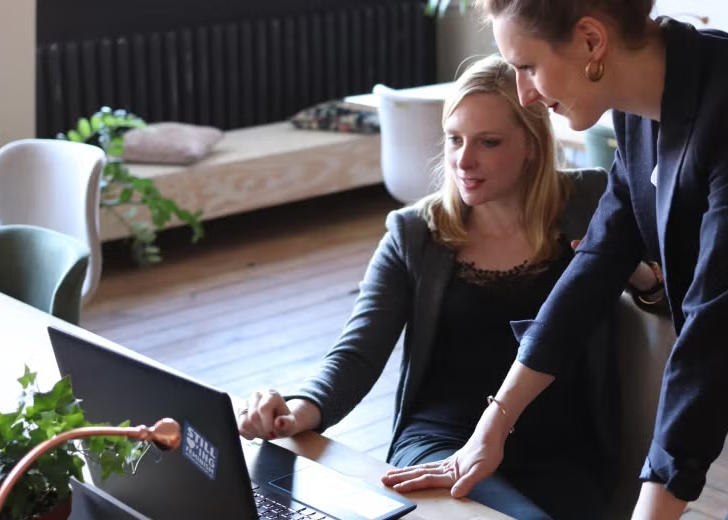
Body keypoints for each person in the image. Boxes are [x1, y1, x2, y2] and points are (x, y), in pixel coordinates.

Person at [381, 1, 728, 519]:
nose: (524, 92)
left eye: (528, 67)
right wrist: (491, 429)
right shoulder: (642, 111)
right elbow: (595, 264)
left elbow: (715, 336)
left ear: (591, 41)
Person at [239, 53, 624, 519]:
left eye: (488, 142)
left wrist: (642, 273)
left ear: (532, 146)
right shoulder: (414, 234)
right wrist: (300, 408)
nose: (464, 159)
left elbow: (664, 300)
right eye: (454, 139)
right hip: (438, 442)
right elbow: (357, 353)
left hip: (560, 448)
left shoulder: (590, 200)